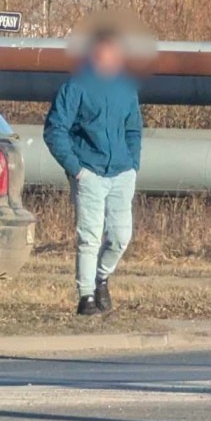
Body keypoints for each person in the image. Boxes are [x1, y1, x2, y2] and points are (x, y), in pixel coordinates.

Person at [43, 30, 143, 316]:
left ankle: (102, 277)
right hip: (89, 172)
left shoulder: (126, 88)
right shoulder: (75, 86)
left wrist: (133, 164)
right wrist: (76, 169)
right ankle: (85, 296)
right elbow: (55, 130)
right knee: (89, 237)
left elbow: (134, 129)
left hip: (122, 173)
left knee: (121, 236)